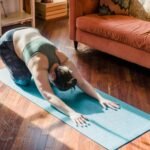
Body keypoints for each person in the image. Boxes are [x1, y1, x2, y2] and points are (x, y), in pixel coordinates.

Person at [0, 27, 119, 127]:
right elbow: (49, 96)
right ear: (51, 75)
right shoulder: (38, 63)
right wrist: (72, 113)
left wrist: (100, 98)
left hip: (29, 32)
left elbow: (81, 82)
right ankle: (17, 64)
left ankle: (25, 63)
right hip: (8, 42)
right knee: (23, 80)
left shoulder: (64, 60)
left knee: (35, 73)